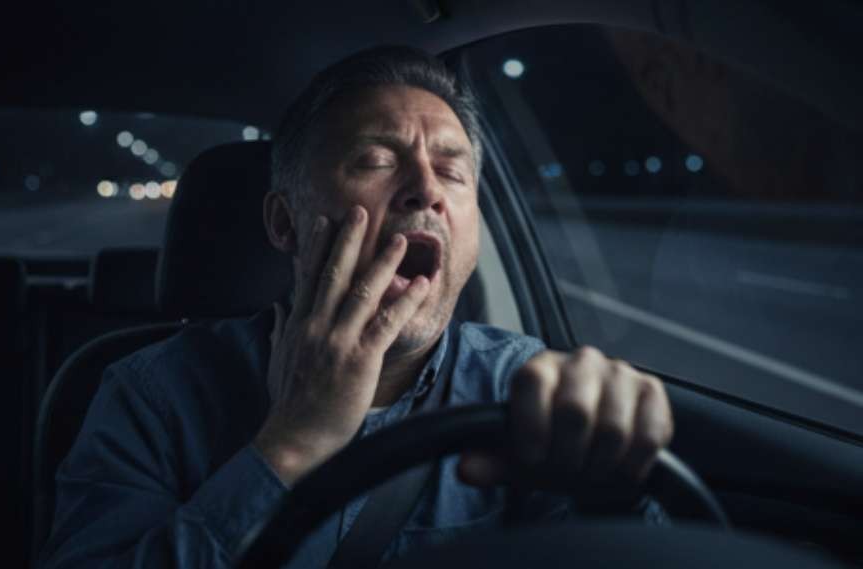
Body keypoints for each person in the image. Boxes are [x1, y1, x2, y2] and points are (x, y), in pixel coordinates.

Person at [38, 46, 673, 569]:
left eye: (453, 173)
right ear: (286, 224)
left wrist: (613, 498)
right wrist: (294, 442)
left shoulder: (523, 388)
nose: (426, 189)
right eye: (375, 160)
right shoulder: (151, 395)